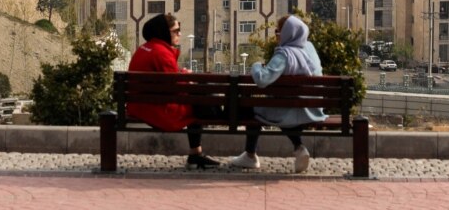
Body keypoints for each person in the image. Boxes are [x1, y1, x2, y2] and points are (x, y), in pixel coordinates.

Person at [230, 15, 326, 173]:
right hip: (312, 109)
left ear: (287, 33)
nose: (276, 35)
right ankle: (298, 147)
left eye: (278, 31)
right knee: (280, 107)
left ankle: (250, 155)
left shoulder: (285, 54)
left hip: (291, 110)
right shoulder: (309, 48)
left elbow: (262, 79)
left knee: (254, 109)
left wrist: (255, 65)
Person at [127, 13, 220, 170]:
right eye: (176, 30)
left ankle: (195, 155)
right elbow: (177, 90)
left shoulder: (146, 48)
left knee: (198, 100)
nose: (180, 33)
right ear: (164, 31)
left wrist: (183, 74)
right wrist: (189, 80)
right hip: (154, 109)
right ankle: (196, 154)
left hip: (139, 105)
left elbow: (167, 79)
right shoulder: (162, 53)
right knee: (199, 106)